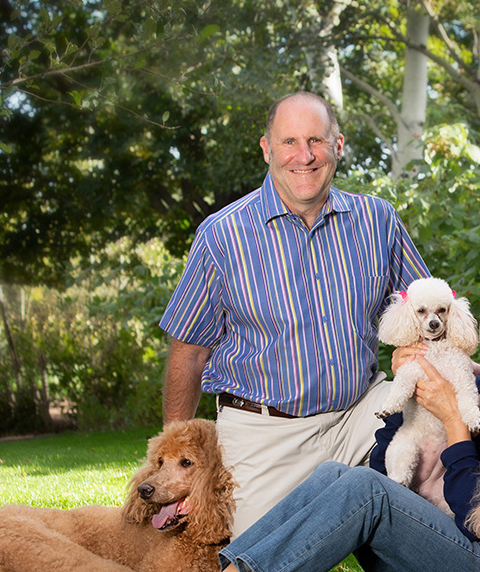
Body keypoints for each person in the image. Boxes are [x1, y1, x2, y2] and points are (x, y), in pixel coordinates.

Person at [131, 254, 480, 572]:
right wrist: (405, 412)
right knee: (336, 475)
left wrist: (454, 426)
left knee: (364, 488)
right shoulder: (467, 383)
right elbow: (386, 463)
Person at [159, 91, 430, 535]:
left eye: (316, 141)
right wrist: (177, 462)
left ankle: (470, 551)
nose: (303, 156)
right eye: (289, 142)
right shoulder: (221, 236)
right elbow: (188, 352)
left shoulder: (377, 220)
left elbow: (425, 312)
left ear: (337, 146)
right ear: (267, 149)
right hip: (264, 433)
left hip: (360, 413)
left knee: (451, 410)